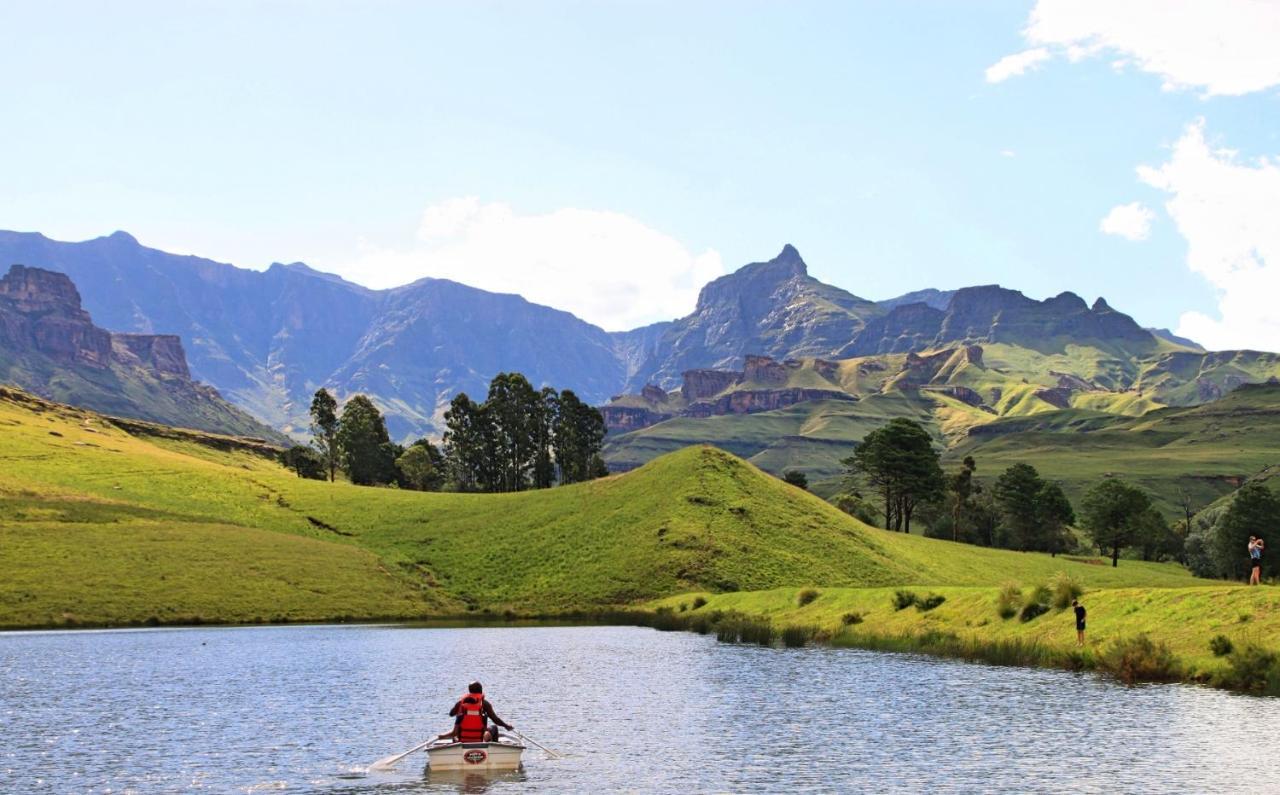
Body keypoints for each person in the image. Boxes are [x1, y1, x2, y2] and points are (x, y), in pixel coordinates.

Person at [439, 681, 513, 743]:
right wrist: (506, 726)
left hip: (463, 739)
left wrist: (459, 706)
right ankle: (493, 750)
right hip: (480, 739)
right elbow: (495, 719)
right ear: (481, 691)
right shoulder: (485, 704)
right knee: (494, 728)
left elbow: (451, 714)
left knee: (455, 736)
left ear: (469, 691)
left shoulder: (460, 704)